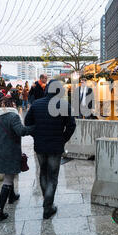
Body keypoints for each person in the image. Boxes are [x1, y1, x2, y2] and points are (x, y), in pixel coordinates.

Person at [25, 80, 76, 219]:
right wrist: (63, 139)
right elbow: (71, 126)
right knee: (53, 176)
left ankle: (46, 202)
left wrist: (35, 134)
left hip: (40, 146)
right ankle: (48, 206)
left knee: (43, 173)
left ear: (47, 89)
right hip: (55, 146)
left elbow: (27, 123)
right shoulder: (63, 105)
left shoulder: (36, 104)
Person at [0, 95, 35, 221]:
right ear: (12, 105)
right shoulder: (13, 116)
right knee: (8, 178)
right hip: (10, 151)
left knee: (8, 173)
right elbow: (20, 131)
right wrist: (35, 128)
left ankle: (12, 196)